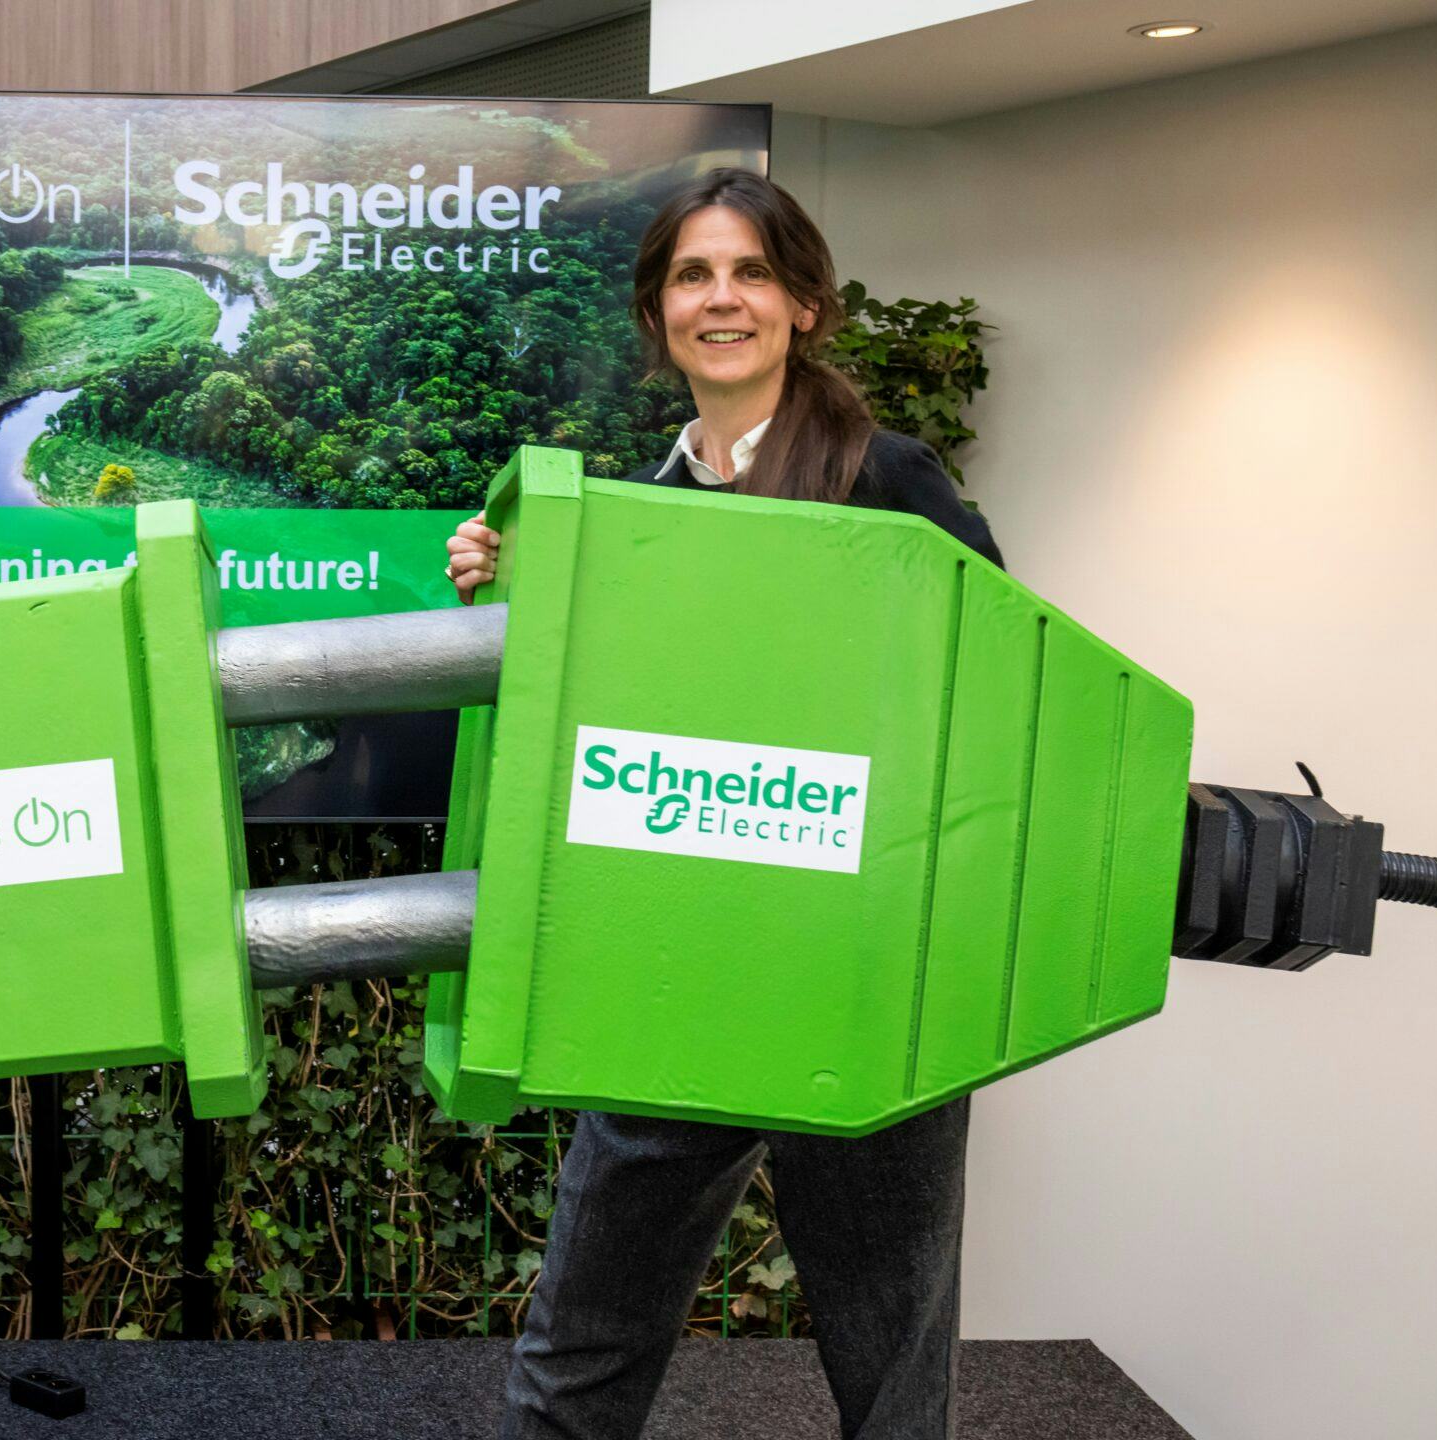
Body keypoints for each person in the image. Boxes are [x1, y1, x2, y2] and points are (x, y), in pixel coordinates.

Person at [446, 167, 1003, 1440]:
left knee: (892, 1372)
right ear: (658, 314)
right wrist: (512, 592)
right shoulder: (633, 511)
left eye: (751, 271)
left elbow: (1001, 691)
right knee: (577, 1350)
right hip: (677, 980)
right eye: (693, 275)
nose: (722, 298)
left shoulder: (890, 479)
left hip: (862, 993)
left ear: (805, 302)